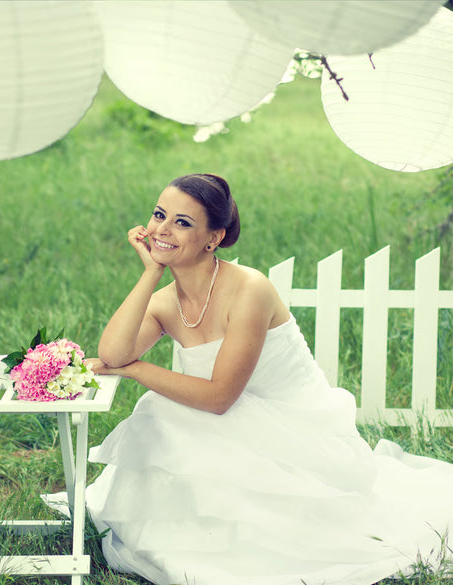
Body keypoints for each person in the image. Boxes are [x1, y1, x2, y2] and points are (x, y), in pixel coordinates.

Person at [47, 174, 453, 585]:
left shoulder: (250, 289)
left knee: (160, 407)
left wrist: (135, 369)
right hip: (224, 423)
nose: (162, 230)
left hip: (293, 431)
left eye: (182, 222)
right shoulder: (167, 301)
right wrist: (151, 273)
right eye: (158, 215)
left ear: (213, 238)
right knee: (160, 413)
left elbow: (219, 396)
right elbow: (113, 352)